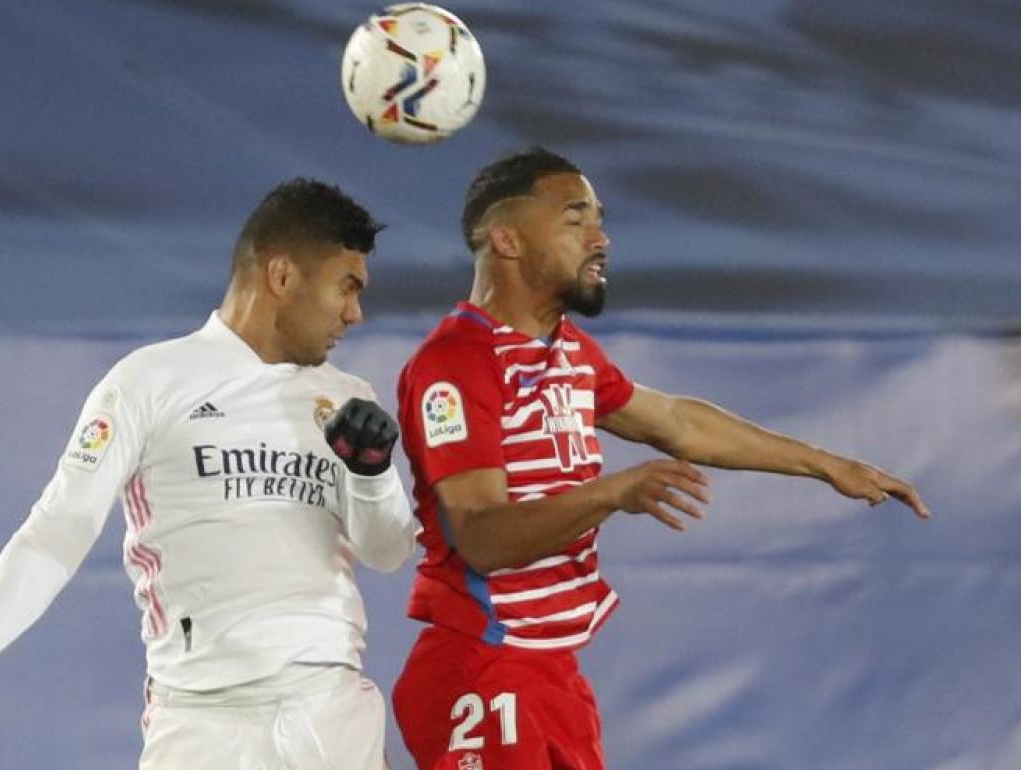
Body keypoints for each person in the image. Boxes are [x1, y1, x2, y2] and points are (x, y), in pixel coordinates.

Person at [390, 148, 931, 770]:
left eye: (599, 218)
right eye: (575, 219)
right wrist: (610, 494)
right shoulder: (455, 366)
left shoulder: (569, 353)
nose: (601, 237)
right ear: (506, 238)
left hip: (551, 674)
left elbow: (675, 421)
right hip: (482, 672)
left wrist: (824, 464)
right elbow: (481, 537)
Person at [0, 179, 418, 770]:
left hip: (330, 712)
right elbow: (59, 527)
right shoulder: (147, 382)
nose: (356, 312)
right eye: (346, 287)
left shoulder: (346, 397)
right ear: (281, 276)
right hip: (201, 723)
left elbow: (387, 551)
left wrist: (372, 474)